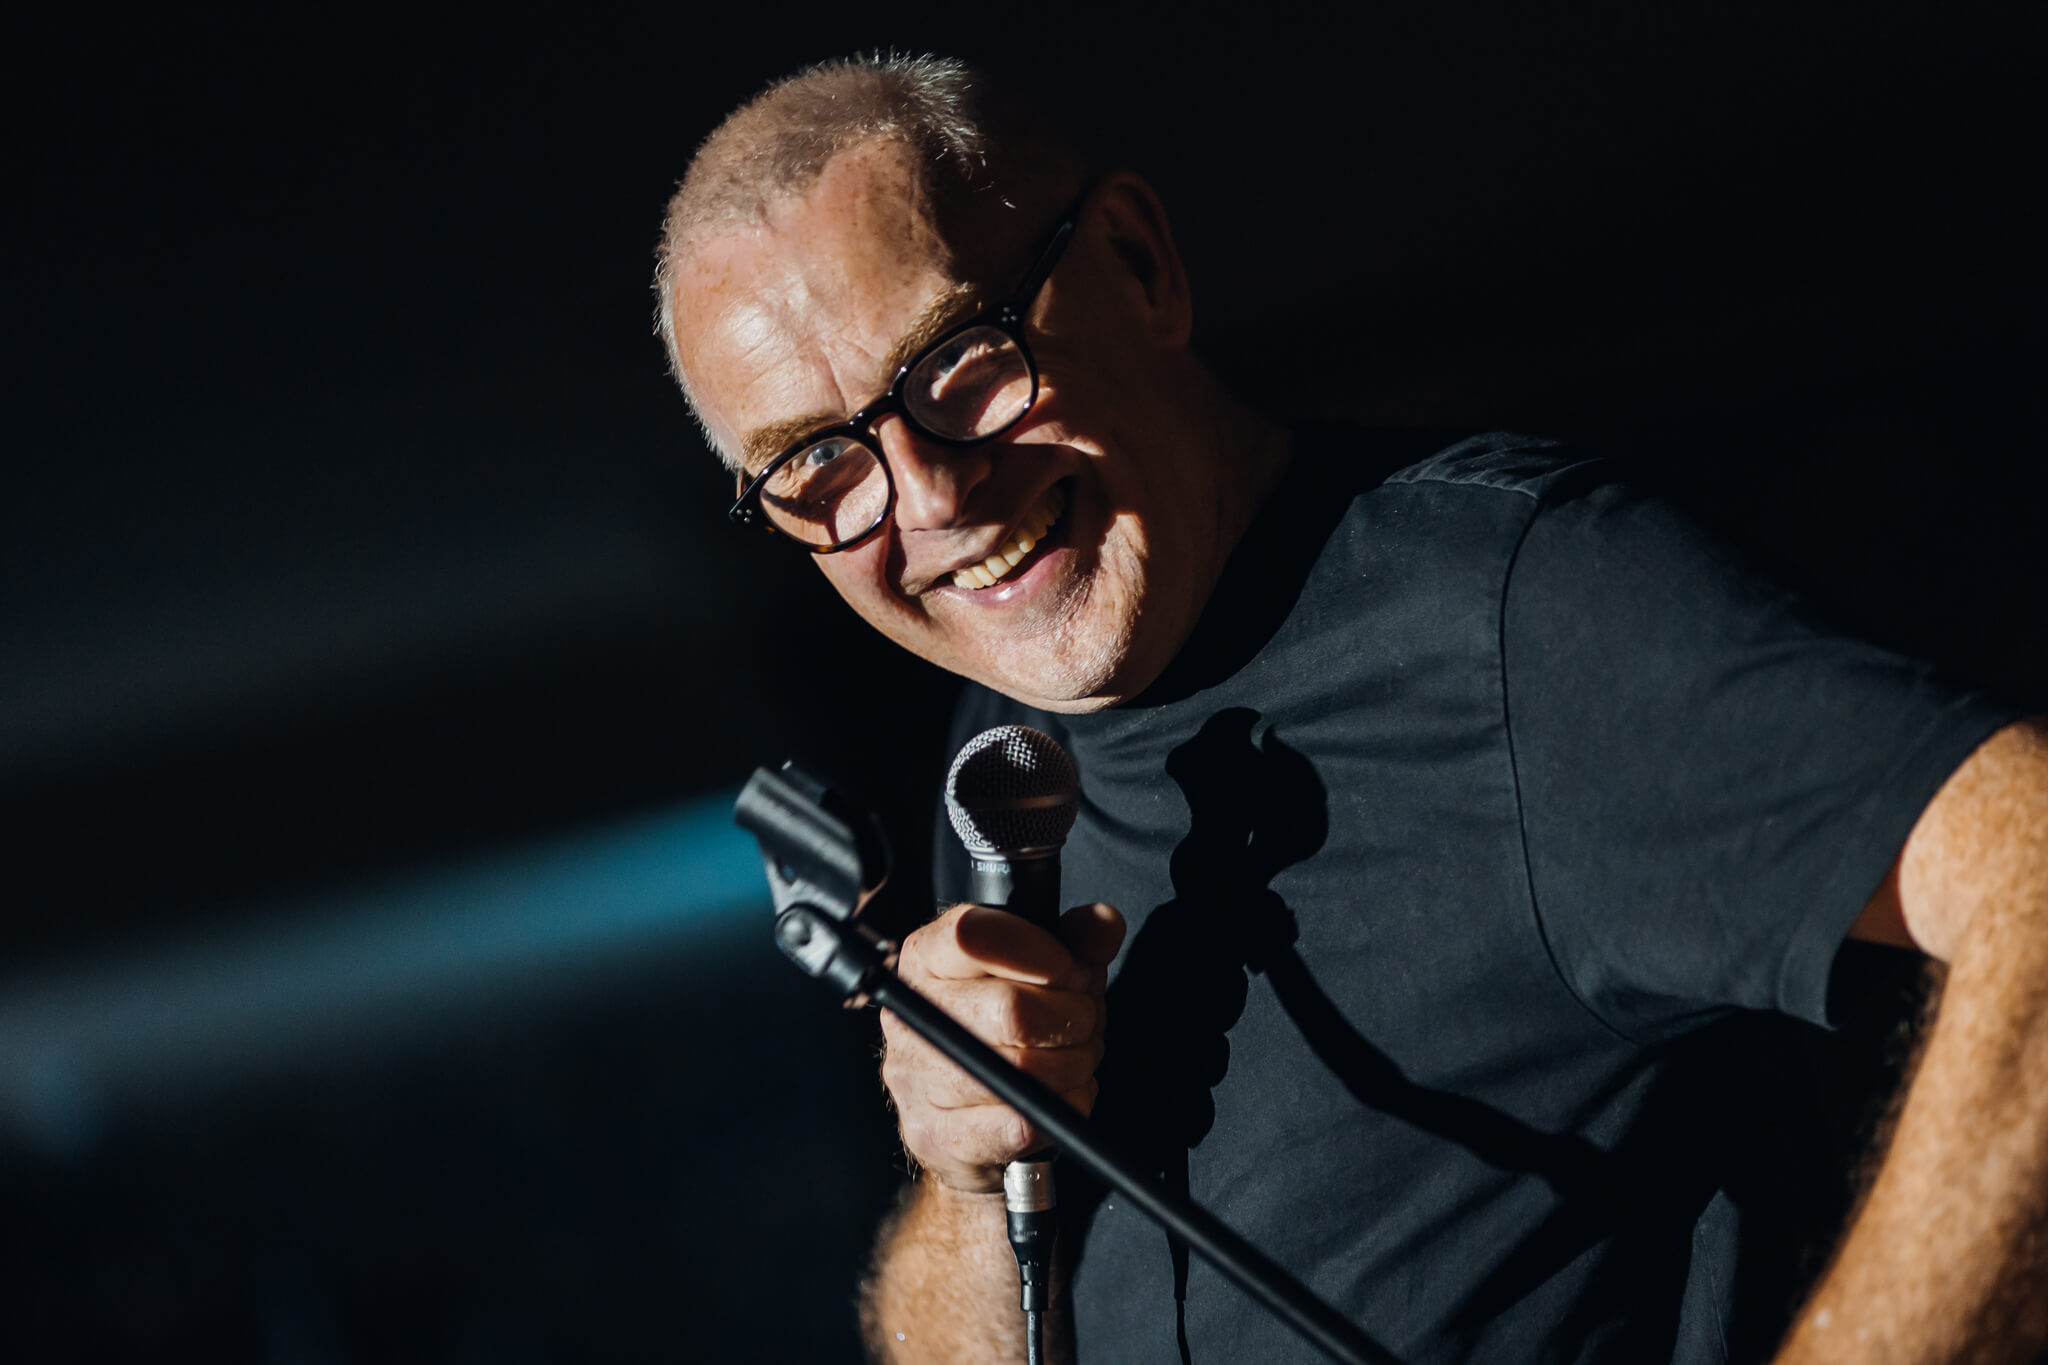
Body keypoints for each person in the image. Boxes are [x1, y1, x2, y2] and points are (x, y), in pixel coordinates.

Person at [653, 54, 2048, 1364]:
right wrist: (965, 1180)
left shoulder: (1512, 609)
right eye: (821, 470)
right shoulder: (1008, 755)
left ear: (1138, 266)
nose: (936, 501)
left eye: (960, 363)